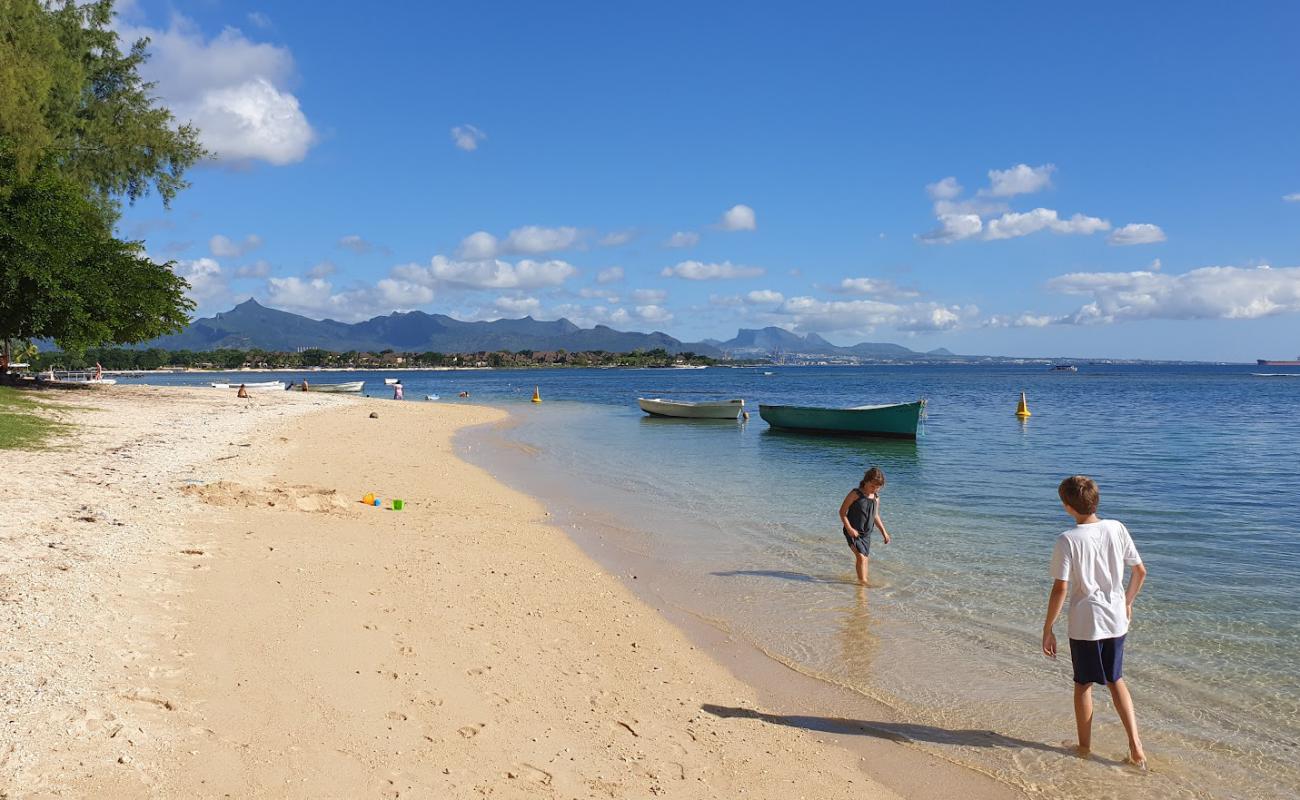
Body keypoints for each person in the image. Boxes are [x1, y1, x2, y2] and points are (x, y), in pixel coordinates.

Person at [1041, 475, 1148, 767]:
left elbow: (1061, 588)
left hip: (1086, 623)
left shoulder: (1067, 540)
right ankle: (1136, 747)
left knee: (1083, 684)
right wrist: (1127, 602)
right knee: (1116, 681)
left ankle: (1084, 747)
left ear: (1067, 507)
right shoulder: (1117, 527)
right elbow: (1140, 572)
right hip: (1116, 619)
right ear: (1095, 500)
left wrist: (1048, 628)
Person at [837, 467, 891, 585]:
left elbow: (875, 516)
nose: (875, 489)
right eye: (873, 486)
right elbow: (842, 512)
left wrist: (884, 532)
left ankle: (862, 581)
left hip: (866, 534)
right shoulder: (855, 494)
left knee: (865, 559)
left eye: (878, 487)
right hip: (852, 531)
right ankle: (863, 583)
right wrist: (849, 528)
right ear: (866, 481)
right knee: (861, 557)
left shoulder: (876, 498)